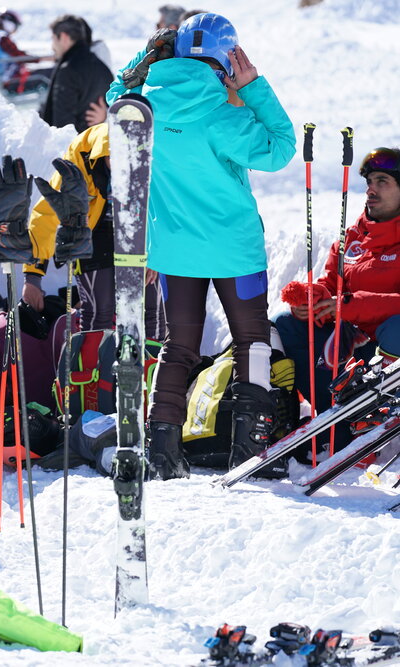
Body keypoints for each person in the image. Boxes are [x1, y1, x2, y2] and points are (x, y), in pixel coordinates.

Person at [108, 14, 294, 479]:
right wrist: (253, 88)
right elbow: (281, 148)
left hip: (175, 250)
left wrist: (142, 61)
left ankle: (162, 453)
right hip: (235, 250)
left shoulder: (145, 108)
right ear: (227, 59)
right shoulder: (223, 116)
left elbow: (114, 100)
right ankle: (249, 452)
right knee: (252, 342)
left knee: (179, 346)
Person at [276, 148, 400, 418]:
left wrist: (348, 305)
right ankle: (330, 421)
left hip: (387, 349)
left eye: (382, 181)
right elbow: (333, 284)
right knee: (286, 323)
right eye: (369, 182)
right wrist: (315, 298)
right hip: (351, 342)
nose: (371, 190)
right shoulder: (354, 236)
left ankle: (379, 414)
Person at [23, 121, 165, 341]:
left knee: (150, 310)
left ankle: (152, 360)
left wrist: (154, 251)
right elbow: (46, 213)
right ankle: (95, 361)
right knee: (100, 310)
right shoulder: (80, 156)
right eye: (115, 160)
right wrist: (33, 276)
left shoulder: (151, 155)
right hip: (91, 232)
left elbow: (162, 208)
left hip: (135, 230)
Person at [38, 14, 112, 133]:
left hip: (75, 142)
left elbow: (62, 125)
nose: (52, 46)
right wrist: (105, 117)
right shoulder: (102, 68)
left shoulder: (68, 70)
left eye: (53, 39)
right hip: (95, 141)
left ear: (64, 37)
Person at [0, 8, 49, 94]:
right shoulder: (2, 38)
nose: (15, 29)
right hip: (13, 83)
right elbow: (19, 56)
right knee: (51, 73)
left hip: (7, 80)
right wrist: (43, 59)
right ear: (9, 23)